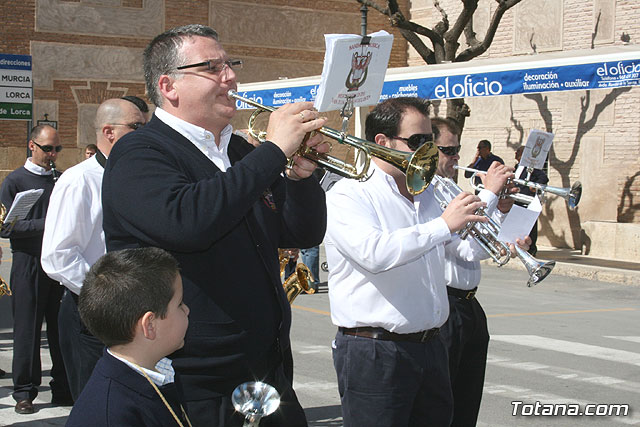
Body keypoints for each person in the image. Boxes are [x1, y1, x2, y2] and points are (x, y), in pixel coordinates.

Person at [101, 24, 328, 427]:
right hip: (197, 380)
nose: (231, 77)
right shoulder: (139, 152)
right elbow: (189, 222)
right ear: (169, 86)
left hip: (265, 368)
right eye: (212, 67)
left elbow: (300, 235)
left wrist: (300, 177)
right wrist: (274, 151)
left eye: (230, 65)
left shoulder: (240, 150)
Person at [324, 97, 506, 427]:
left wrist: (495, 212)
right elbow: (375, 253)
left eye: (429, 142)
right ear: (382, 142)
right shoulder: (349, 194)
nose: (429, 151)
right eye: (418, 142)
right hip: (376, 352)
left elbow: (464, 253)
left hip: (431, 346)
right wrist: (443, 224)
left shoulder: (427, 194)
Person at [41, 98, 147, 401]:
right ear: (109, 131)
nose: (144, 133)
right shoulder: (79, 180)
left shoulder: (134, 176)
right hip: (92, 313)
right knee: (96, 405)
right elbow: (57, 257)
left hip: (132, 312)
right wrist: (107, 294)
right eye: (136, 127)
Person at [432, 117, 517, 427]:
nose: (457, 156)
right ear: (429, 149)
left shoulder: (452, 187)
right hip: (446, 306)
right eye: (449, 149)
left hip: (469, 305)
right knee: (445, 403)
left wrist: (505, 211)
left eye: (457, 149)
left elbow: (478, 249)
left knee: (468, 402)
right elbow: (462, 248)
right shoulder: (427, 192)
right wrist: (491, 194)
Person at [67, 247, 191, 426]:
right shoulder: (112, 414)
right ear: (150, 325)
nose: (187, 310)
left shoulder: (155, 373)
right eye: (179, 304)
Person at [0, 124, 71, 414]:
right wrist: (49, 224)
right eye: (47, 149)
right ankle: (24, 392)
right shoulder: (15, 181)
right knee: (27, 329)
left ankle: (63, 386)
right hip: (28, 261)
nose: (52, 155)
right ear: (32, 146)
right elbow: (8, 228)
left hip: (56, 262)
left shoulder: (60, 179)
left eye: (57, 149)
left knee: (60, 327)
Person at [514, 146, 548, 256]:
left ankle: (532, 249)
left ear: (523, 154)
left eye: (518, 151)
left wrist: (534, 186)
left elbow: (544, 178)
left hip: (527, 200)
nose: (515, 153)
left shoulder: (531, 167)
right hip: (516, 200)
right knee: (518, 226)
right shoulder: (517, 167)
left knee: (530, 227)